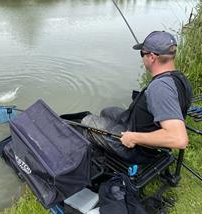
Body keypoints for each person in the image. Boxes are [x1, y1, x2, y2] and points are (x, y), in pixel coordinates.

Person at [82, 31, 192, 164]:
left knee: (87, 122)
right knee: (107, 111)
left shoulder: (160, 88)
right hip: (139, 125)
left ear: (152, 57)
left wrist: (133, 137)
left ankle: (98, 159)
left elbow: (179, 139)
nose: (142, 58)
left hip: (142, 150)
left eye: (142, 54)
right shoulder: (178, 77)